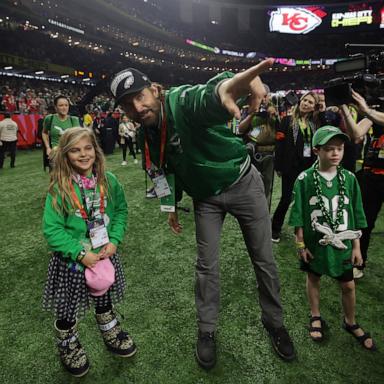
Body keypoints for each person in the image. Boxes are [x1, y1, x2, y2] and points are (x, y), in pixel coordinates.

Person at [110, 60, 295, 369]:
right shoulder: (146, 135)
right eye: (129, 104)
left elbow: (212, 93)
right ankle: (206, 331)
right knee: (206, 266)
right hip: (205, 198)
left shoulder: (180, 100)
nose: (138, 107)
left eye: (141, 96)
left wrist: (228, 91)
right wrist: (170, 207)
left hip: (242, 182)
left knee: (264, 259)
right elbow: (162, 173)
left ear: (155, 90)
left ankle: (275, 323)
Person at [42, 127, 137, 377]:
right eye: (75, 150)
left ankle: (110, 331)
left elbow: (120, 212)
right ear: (65, 155)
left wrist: (114, 240)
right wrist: (79, 253)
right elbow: (52, 230)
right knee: (67, 308)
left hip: (104, 253)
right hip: (72, 262)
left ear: (96, 150)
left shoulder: (109, 181)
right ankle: (68, 345)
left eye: (88, 148)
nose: (83, 154)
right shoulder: (60, 187)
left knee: (104, 300)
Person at [288, 125, 376, 351]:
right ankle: (315, 315)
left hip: (344, 244)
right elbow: (298, 213)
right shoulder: (304, 179)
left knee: (348, 285)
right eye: (329, 149)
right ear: (317, 151)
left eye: (339, 149)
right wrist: (300, 244)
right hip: (315, 243)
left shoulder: (349, 178)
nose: (336, 153)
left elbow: (356, 213)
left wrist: (356, 247)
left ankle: (350, 321)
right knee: (314, 278)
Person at [340, 90, 384, 279]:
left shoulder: (374, 112)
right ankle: (359, 261)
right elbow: (356, 134)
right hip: (372, 175)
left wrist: (367, 110)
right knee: (364, 222)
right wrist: (343, 107)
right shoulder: (376, 111)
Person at [272, 91, 320, 242]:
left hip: (308, 166)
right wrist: (278, 166)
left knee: (304, 200)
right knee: (286, 198)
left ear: (314, 107)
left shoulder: (316, 123)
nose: (306, 103)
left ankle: (299, 230)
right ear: (300, 102)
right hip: (290, 166)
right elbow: (279, 145)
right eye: (304, 100)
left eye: (310, 102)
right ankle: (274, 229)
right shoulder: (287, 120)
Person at [238, 84, 279, 208]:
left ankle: (264, 212)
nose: (263, 99)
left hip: (270, 153)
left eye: (266, 96)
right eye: (261, 96)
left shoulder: (275, 109)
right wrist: (252, 114)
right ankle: (252, 210)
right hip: (252, 151)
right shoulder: (247, 108)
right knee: (251, 184)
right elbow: (240, 129)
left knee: (267, 185)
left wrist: (274, 115)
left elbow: (282, 129)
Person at [41, 95, 80, 165]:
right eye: (61, 105)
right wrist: (48, 147)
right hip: (55, 154)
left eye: (66, 105)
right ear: (55, 107)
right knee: (57, 175)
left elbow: (78, 138)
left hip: (71, 154)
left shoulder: (74, 120)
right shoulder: (50, 118)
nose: (64, 108)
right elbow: (44, 132)